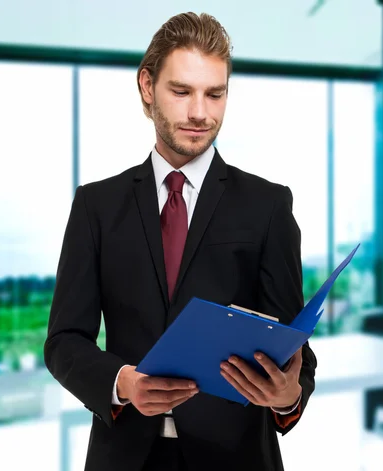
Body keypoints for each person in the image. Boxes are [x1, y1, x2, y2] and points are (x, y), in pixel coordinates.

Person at [44, 11, 317, 471]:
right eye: (182, 91)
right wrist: (123, 382)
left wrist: (289, 395)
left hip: (235, 458)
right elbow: (64, 341)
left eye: (215, 93)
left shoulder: (268, 205)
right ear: (147, 88)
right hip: (125, 455)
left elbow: (293, 346)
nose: (200, 112)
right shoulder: (97, 206)